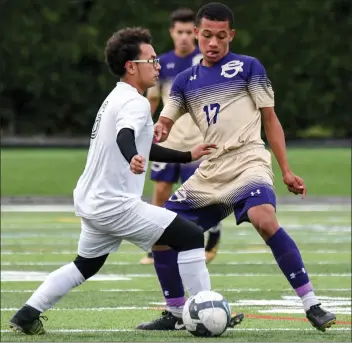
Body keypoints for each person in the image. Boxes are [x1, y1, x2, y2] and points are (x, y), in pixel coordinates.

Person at [137, 2, 336, 332]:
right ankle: (174, 313)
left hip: (249, 161)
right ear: (198, 34)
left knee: (264, 219)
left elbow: (271, 120)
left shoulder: (249, 67)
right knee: (161, 232)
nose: (213, 43)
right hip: (212, 169)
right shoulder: (186, 79)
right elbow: (166, 119)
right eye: (207, 36)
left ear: (231, 35)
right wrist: (160, 128)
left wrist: (286, 170)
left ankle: (311, 304)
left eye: (220, 36)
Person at [8, 27, 217, 335]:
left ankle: (27, 313)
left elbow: (141, 142)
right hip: (115, 203)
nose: (158, 65)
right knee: (189, 237)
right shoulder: (134, 102)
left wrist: (187, 155)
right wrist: (132, 155)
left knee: (86, 264)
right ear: (131, 66)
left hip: (93, 202)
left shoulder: (117, 97)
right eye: (151, 59)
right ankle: (205, 315)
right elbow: (125, 137)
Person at [140, 8, 222, 266]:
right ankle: (157, 246)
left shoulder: (208, 63)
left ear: (196, 34)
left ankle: (211, 237)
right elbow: (152, 101)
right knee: (161, 192)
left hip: (197, 143)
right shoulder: (160, 64)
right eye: (180, 32)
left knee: (197, 198)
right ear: (172, 33)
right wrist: (142, 127)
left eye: (189, 32)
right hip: (167, 141)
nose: (185, 37)